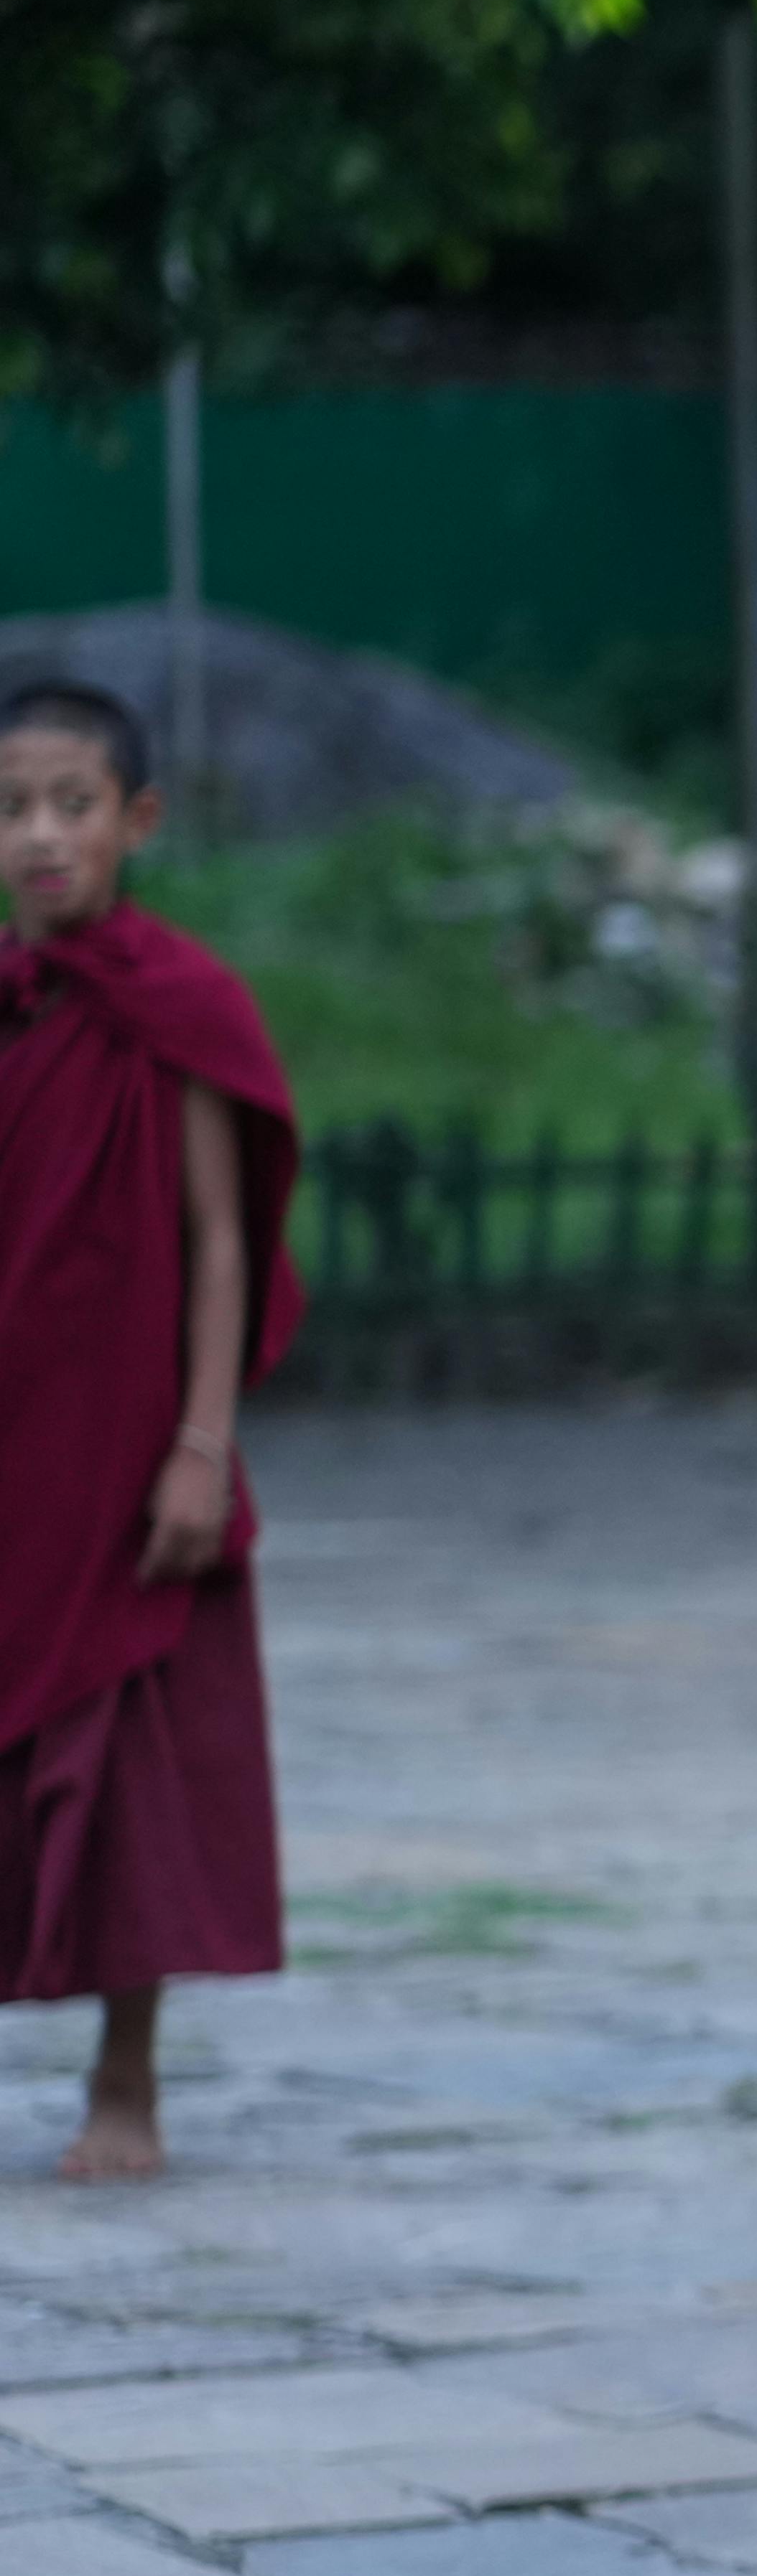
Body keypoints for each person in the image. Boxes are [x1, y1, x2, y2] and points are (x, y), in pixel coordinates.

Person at [0, 680, 298, 2181]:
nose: (41, 837)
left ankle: (127, 2081)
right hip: (8, 1436)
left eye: (71, 804)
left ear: (138, 820)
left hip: (125, 1451)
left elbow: (219, 1237)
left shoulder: (176, 1004)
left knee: (127, 1773)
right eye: (12, 809)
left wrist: (201, 1440)